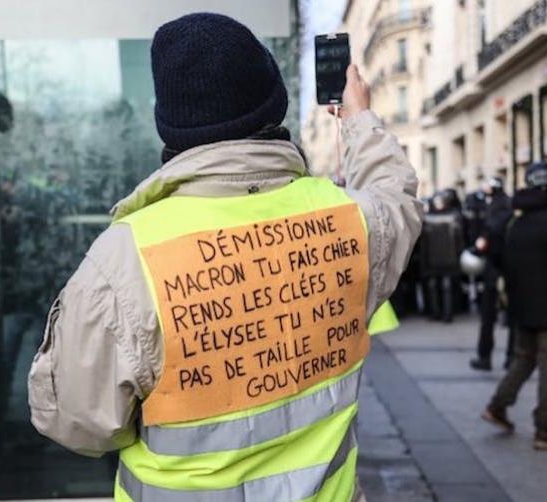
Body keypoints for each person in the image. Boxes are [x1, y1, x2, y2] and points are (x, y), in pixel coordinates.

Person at [27, 13, 423, 501]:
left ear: (170, 125)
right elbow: (395, 196)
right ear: (272, 104)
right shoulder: (350, 223)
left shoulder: (124, 260)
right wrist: (358, 118)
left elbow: (77, 423)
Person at [481, 162, 547, 450]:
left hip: (521, 308)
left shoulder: (514, 221)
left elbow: (497, 257)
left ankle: (497, 406)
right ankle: (543, 429)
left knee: (524, 359)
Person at [470, 176, 514, 371]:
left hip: (497, 267)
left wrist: (483, 244)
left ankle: (485, 356)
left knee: (489, 315)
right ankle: (511, 358)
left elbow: (492, 231)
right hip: (508, 267)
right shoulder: (504, 204)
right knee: (510, 315)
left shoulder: (499, 206)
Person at [419, 190, 465, 322]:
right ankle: (437, 312)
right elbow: (424, 242)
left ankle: (446, 313)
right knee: (436, 286)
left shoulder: (453, 216)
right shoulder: (429, 217)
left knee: (445, 286)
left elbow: (459, 239)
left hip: (446, 258)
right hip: (437, 258)